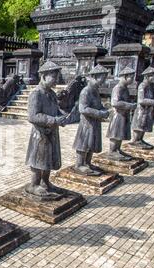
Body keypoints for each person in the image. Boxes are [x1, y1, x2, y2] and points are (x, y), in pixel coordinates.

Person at [25, 61, 67, 199]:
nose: (56, 80)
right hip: (40, 134)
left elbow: (56, 110)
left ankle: (45, 182)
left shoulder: (52, 94)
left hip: (52, 132)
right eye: (53, 77)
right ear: (43, 76)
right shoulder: (36, 94)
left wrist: (62, 117)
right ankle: (33, 184)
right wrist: (53, 120)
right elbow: (33, 116)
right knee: (38, 160)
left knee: (48, 159)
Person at [72, 64, 110, 176]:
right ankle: (79, 164)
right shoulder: (86, 91)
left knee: (92, 143)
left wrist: (104, 110)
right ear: (94, 76)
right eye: (102, 78)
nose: (103, 81)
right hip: (87, 123)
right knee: (83, 143)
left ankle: (87, 163)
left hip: (95, 122)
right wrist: (99, 113)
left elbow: (98, 105)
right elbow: (82, 108)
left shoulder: (95, 91)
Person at [106, 66, 137, 160]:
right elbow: (115, 102)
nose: (132, 80)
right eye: (131, 77)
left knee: (120, 134)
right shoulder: (118, 88)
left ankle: (117, 150)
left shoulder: (125, 88)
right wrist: (129, 105)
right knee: (115, 134)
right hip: (118, 115)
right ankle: (112, 151)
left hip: (124, 115)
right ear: (125, 76)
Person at [130, 66, 154, 149]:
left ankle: (140, 140)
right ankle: (136, 141)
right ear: (147, 76)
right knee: (140, 125)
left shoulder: (149, 86)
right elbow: (141, 100)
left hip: (147, 111)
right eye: (152, 76)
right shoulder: (142, 86)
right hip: (141, 111)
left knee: (144, 126)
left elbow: (149, 97)